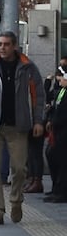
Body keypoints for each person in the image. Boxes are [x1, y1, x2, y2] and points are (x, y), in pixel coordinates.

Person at [0, 30, 45, 225]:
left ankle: (16, 201)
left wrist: (38, 121)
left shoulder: (28, 68)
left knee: (19, 169)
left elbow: (38, 96)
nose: (2, 48)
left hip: (18, 126)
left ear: (14, 46)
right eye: (0, 44)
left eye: (6, 44)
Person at [43, 64, 67, 203]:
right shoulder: (62, 90)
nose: (59, 80)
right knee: (52, 156)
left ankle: (62, 191)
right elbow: (53, 102)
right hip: (57, 131)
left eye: (62, 77)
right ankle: (56, 188)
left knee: (62, 162)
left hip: (64, 132)